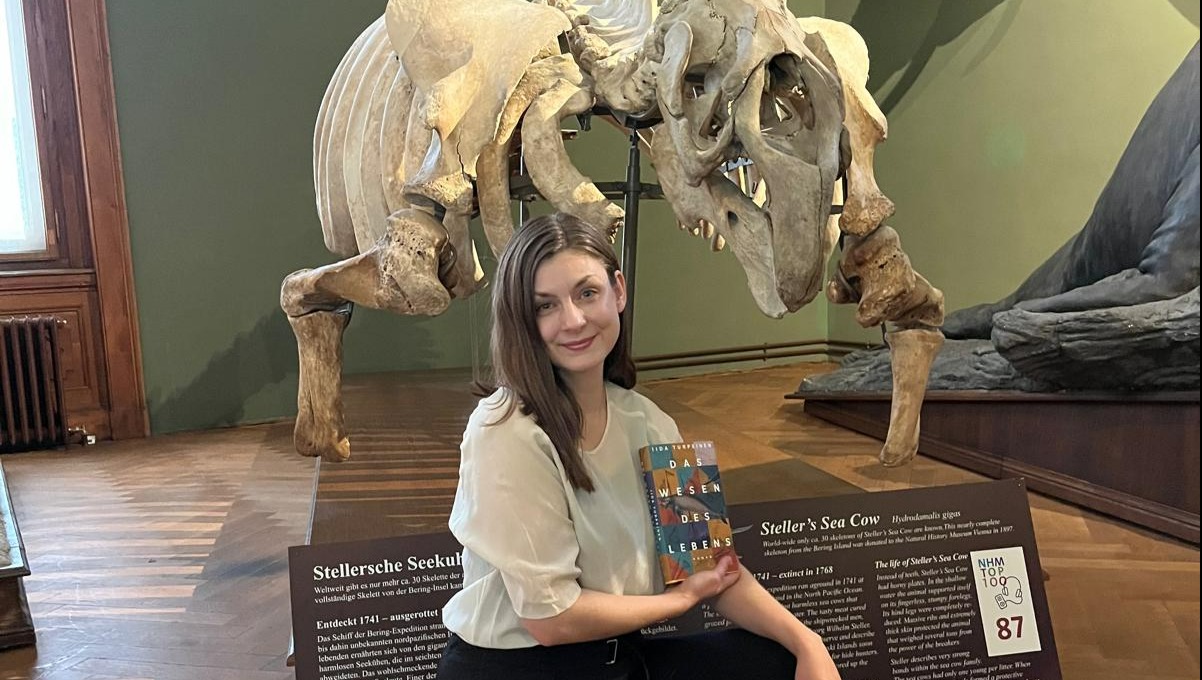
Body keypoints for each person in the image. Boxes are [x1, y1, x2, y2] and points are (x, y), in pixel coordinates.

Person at [437, 213, 841, 680]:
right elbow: (550, 620)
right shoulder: (505, 429)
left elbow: (708, 565)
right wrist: (678, 600)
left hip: (616, 657)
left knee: (781, 661)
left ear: (619, 291)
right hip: (518, 668)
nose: (572, 320)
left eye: (587, 293)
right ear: (521, 319)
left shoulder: (650, 422)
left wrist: (807, 642)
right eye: (544, 306)